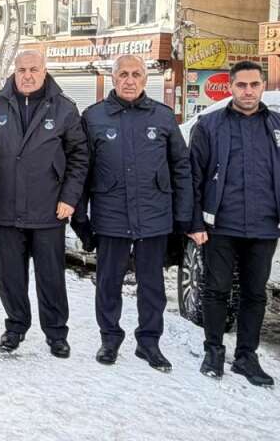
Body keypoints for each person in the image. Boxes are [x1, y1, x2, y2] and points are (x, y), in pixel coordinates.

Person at [188, 60, 280, 387]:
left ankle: (246, 356)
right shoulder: (209, 125)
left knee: (255, 294)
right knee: (216, 289)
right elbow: (193, 178)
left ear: (263, 86)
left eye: (254, 85)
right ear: (230, 87)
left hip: (265, 226)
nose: (248, 91)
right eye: (242, 85)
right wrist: (194, 222)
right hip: (220, 225)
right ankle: (213, 350)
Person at [74, 55, 191, 371]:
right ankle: (109, 339)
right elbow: (82, 170)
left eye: (136, 74)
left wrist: (183, 216)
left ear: (145, 79)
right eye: (123, 74)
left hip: (154, 217)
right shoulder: (94, 117)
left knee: (152, 285)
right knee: (108, 283)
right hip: (110, 215)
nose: (129, 80)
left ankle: (149, 343)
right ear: (113, 79)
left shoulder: (163, 118)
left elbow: (181, 167)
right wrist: (80, 216)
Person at [0, 50, 88, 357]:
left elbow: (79, 157)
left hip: (49, 206)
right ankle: (15, 326)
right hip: (5, 204)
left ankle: (56, 333)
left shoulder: (64, 108)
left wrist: (69, 197)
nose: (27, 75)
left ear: (44, 71)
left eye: (34, 69)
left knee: (51, 274)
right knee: (10, 273)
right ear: (15, 71)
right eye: (22, 69)